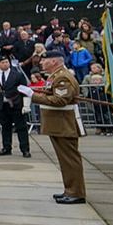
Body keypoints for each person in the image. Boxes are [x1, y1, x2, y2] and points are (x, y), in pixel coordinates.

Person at [19, 49, 85, 204]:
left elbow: (59, 100)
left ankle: (76, 192)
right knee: (65, 161)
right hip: (58, 124)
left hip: (64, 124)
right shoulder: (56, 76)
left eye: (44, 60)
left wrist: (32, 95)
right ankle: (70, 189)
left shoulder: (63, 77)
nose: (41, 62)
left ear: (54, 61)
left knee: (70, 160)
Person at [0, 57, 30, 157]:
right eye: (3, 62)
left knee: (21, 127)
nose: (5, 64)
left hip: (16, 104)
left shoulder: (17, 75)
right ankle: (6, 148)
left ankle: (25, 149)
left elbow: (24, 90)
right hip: (2, 105)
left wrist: (26, 104)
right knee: (5, 127)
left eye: (7, 62)